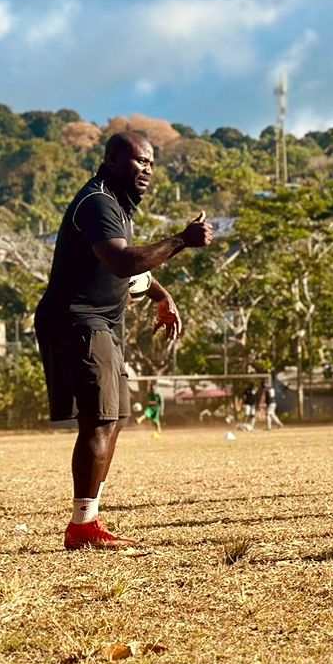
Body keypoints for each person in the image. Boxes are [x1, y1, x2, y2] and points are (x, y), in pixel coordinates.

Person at [34, 132, 212, 551]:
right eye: (139, 161)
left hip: (104, 324)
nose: (147, 169)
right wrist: (182, 240)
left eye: (152, 163)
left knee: (115, 417)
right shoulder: (96, 203)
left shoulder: (116, 206)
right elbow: (120, 260)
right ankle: (82, 528)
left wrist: (161, 294)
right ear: (112, 160)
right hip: (77, 320)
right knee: (98, 419)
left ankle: (89, 520)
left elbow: (131, 272)